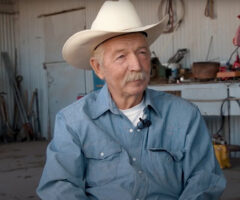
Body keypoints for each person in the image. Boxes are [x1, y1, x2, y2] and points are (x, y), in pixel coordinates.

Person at [37, 0, 226, 199]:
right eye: (121, 56)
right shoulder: (73, 122)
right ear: (98, 68)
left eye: (142, 52)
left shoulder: (185, 116)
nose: (137, 65)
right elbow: (59, 187)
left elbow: (205, 180)